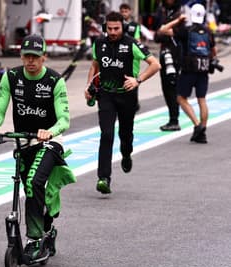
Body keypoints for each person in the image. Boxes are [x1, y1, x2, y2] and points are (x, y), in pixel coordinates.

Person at [0, 34, 76, 263]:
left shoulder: (55, 80)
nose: (31, 61)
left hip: (49, 142)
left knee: (34, 182)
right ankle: (48, 231)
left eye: (36, 57)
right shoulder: (12, 77)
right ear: (21, 56)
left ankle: (34, 240)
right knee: (30, 189)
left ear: (44, 57)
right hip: (23, 141)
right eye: (27, 56)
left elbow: (64, 119)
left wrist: (50, 132)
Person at [84, 12, 160, 194]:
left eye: (116, 28)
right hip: (106, 95)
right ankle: (103, 178)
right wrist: (89, 86)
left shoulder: (132, 44)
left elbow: (155, 65)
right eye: (109, 28)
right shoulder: (99, 44)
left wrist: (138, 80)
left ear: (123, 28)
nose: (112, 32)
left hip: (127, 96)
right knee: (106, 134)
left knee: (125, 135)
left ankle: (126, 154)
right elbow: (94, 66)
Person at [159, 3, 217, 143]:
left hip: (188, 69)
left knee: (181, 98)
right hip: (203, 69)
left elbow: (163, 30)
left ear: (191, 14)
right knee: (201, 99)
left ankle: (197, 125)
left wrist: (178, 21)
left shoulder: (186, 31)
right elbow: (213, 51)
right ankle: (202, 129)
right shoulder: (209, 32)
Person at [154, 0, 182, 131]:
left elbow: (178, 33)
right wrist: (163, 32)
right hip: (164, 55)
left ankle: (174, 119)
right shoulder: (164, 13)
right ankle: (173, 118)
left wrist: (165, 31)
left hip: (176, 55)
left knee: (172, 88)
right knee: (166, 88)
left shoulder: (180, 14)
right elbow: (157, 36)